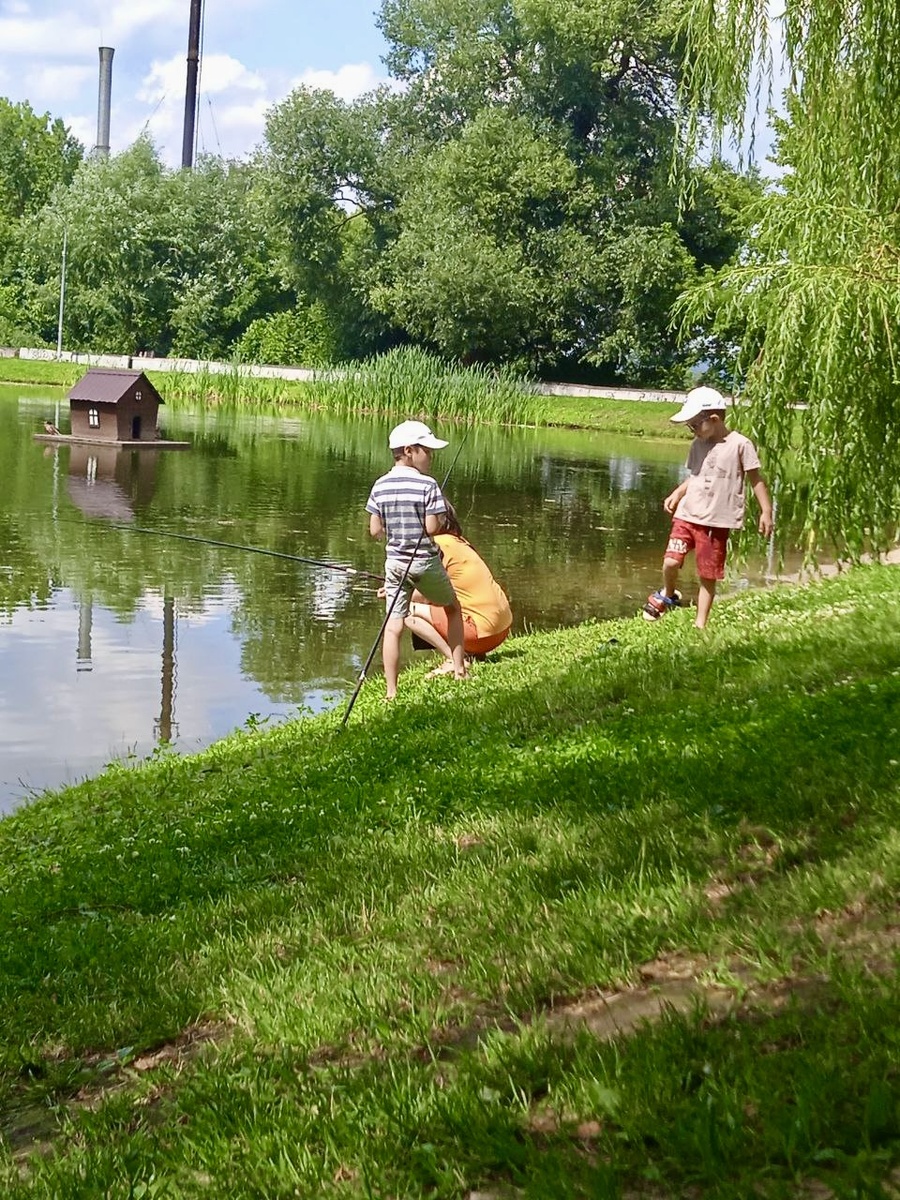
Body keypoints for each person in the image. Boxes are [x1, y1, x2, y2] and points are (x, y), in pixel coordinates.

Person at [643, 385, 774, 629]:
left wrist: (766, 512)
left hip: (715, 522)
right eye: (689, 426)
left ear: (713, 419)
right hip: (687, 514)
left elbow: (756, 479)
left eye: (694, 425)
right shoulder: (697, 445)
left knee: (707, 574)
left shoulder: (740, 445)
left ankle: (700, 624)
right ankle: (669, 594)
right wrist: (677, 493)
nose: (692, 431)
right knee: (670, 561)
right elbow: (696, 476)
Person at [366, 419, 467, 699]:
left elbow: (375, 531)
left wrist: (395, 525)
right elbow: (433, 528)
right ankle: (459, 670)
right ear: (409, 451)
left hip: (395, 564)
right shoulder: (428, 485)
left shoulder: (380, 485)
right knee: (453, 608)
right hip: (424, 561)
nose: (431, 457)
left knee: (393, 625)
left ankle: (391, 691)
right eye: (428, 451)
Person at [403, 501, 512, 675]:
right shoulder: (459, 542)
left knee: (405, 611)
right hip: (501, 629)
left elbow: (419, 598)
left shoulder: (437, 545)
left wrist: (397, 594)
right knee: (447, 605)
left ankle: (454, 660)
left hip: (481, 634)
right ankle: (470, 653)